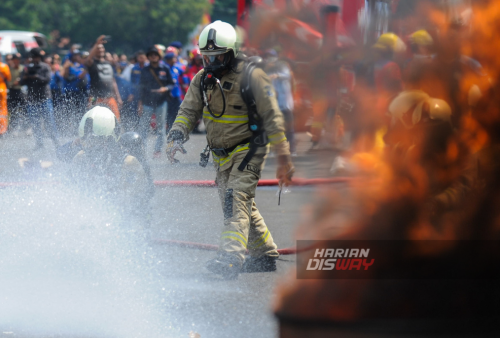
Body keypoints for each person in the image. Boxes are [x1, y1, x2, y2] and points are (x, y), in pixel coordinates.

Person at [166, 20, 295, 278]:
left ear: (232, 52)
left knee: (234, 199)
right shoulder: (202, 80)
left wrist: (284, 158)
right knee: (241, 203)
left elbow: (273, 118)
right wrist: (176, 135)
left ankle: (230, 258)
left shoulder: (252, 76)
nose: (211, 64)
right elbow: (188, 110)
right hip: (221, 155)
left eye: (218, 57)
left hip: (250, 148)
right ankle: (265, 254)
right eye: (207, 58)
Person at [71, 106, 150, 232]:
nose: (89, 146)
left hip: (123, 224)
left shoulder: (128, 163)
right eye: (86, 140)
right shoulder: (81, 158)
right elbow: (77, 195)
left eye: (94, 141)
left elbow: (134, 202)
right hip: (95, 220)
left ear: (109, 139)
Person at [138, 46, 174, 158]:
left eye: (155, 54)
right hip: (147, 102)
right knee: (143, 127)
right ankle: (141, 149)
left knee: (161, 128)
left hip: (161, 102)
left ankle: (157, 151)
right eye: (151, 55)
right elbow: (141, 88)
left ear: (159, 56)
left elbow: (172, 83)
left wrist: (166, 88)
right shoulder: (145, 70)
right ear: (148, 57)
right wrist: (140, 104)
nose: (153, 56)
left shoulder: (165, 68)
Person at [21, 48, 60, 150]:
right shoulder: (27, 68)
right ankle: (39, 143)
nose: (34, 59)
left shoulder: (45, 67)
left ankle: (56, 142)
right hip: (32, 99)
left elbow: (47, 80)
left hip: (44, 98)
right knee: (35, 123)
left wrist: (36, 76)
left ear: (39, 57)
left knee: (49, 122)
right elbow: (22, 82)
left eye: (36, 57)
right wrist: (26, 76)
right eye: (33, 57)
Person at [264, 49, 296, 155]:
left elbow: (287, 75)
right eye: (268, 56)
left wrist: (277, 75)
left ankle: (292, 150)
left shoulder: (282, 66)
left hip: (285, 104)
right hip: (275, 105)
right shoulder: (268, 69)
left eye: (271, 56)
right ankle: (276, 150)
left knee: (289, 128)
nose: (270, 58)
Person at [85, 35, 122, 121]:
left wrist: (118, 97)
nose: (101, 49)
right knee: (95, 120)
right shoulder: (92, 63)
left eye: (102, 48)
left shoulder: (108, 63)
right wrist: (97, 43)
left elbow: (113, 81)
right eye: (98, 48)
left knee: (116, 120)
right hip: (96, 97)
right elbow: (89, 58)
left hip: (110, 97)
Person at [62, 49, 90, 134]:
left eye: (78, 55)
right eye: (75, 55)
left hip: (84, 92)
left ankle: (82, 129)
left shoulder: (82, 66)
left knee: (83, 112)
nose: (77, 57)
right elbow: (80, 76)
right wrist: (88, 68)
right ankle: (72, 130)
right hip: (74, 93)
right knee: (74, 112)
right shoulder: (72, 66)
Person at [164, 48, 182, 133]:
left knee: (179, 111)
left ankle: (177, 128)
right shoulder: (165, 68)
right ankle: (170, 128)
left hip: (177, 94)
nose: (175, 59)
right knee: (169, 113)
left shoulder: (177, 67)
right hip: (168, 95)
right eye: (173, 58)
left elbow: (185, 71)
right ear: (169, 60)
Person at [6, 53, 25, 133]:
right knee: (12, 110)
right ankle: (12, 127)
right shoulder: (9, 68)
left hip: (20, 91)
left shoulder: (22, 68)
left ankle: (24, 126)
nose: (17, 61)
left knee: (24, 109)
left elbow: (23, 78)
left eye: (18, 59)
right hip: (11, 90)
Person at [0, 53, 12, 135]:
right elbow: (8, 78)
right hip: (2, 88)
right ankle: (3, 129)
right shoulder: (4, 66)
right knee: (3, 108)